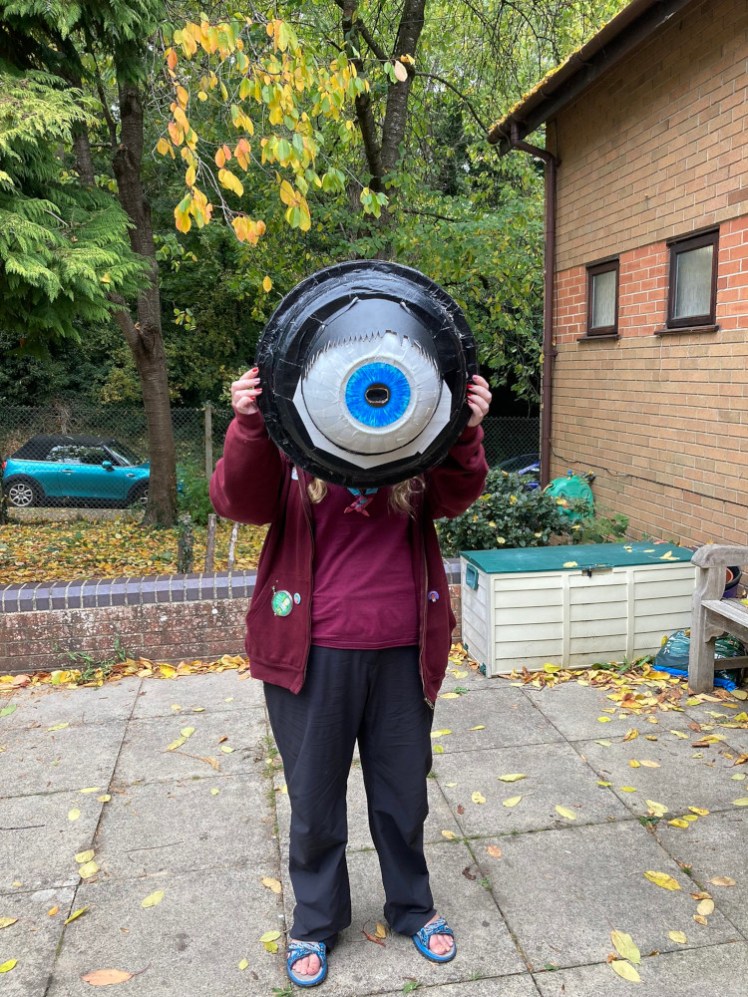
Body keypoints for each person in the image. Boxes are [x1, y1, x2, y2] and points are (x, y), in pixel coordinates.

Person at [210, 366, 491, 988]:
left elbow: (455, 496)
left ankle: (412, 907)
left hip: (401, 650)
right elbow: (238, 501)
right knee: (313, 800)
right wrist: (250, 424)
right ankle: (315, 921)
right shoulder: (292, 434)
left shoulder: (413, 431)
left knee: (403, 797)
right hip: (311, 654)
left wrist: (465, 430)